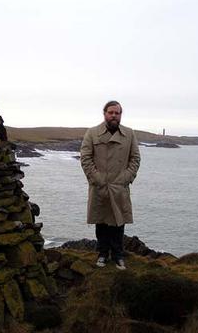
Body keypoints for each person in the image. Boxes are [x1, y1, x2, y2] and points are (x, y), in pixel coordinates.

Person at [80, 100, 141, 270]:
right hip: (100, 186)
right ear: (104, 113)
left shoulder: (129, 134)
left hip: (119, 186)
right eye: (111, 112)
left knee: (118, 223)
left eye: (117, 113)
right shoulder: (92, 133)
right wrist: (97, 179)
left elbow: (135, 158)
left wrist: (126, 178)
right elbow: (85, 158)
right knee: (101, 222)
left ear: (121, 115)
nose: (114, 115)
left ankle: (118, 256)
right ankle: (102, 254)